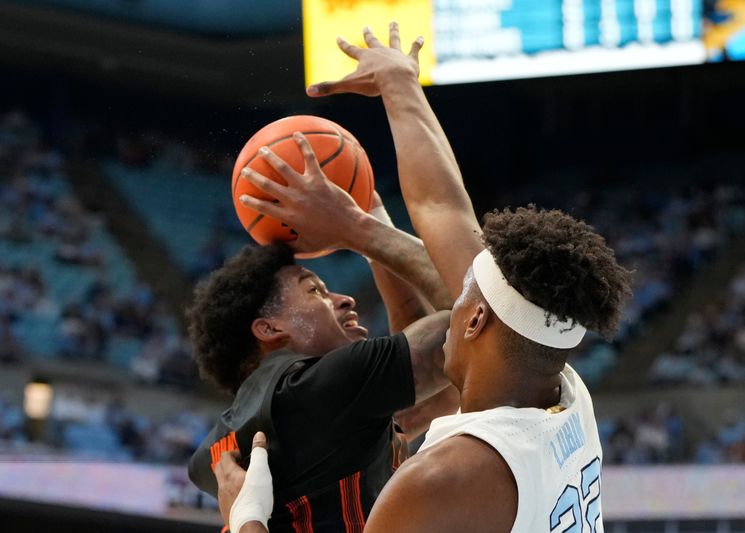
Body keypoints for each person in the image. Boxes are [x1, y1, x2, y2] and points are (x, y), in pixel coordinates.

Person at [220, 23, 634, 532]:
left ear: (477, 319)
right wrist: (397, 86)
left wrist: (246, 519)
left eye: (459, 300)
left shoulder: (441, 479)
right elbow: (443, 209)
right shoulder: (565, 393)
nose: (450, 298)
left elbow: (448, 223)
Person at [187, 132, 459, 533]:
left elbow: (435, 396)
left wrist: (371, 218)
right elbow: (476, 319)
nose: (345, 299)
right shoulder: (319, 391)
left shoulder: (225, 441)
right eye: (315, 290)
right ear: (269, 328)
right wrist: (360, 229)